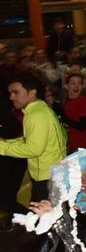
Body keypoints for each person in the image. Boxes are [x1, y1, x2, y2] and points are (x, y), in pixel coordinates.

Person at [0, 72, 67, 202]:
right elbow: (32, 140)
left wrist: (2, 147)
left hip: (47, 178)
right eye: (10, 93)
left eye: (16, 92)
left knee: (41, 218)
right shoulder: (39, 109)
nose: (11, 97)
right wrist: (8, 142)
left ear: (32, 92)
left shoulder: (36, 115)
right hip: (53, 173)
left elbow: (34, 149)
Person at [61, 72, 86, 151]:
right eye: (73, 83)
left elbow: (82, 126)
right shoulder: (67, 102)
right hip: (76, 146)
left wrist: (63, 117)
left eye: (79, 83)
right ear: (66, 86)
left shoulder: (82, 101)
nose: (76, 86)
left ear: (82, 86)